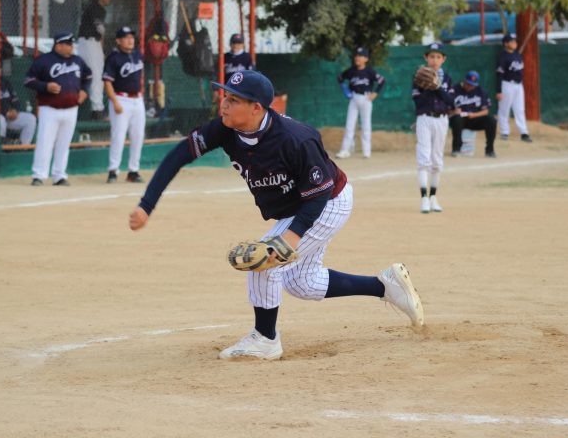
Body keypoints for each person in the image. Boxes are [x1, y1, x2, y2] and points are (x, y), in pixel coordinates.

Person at [127, 70, 424, 360]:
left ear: (256, 108)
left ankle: (265, 338)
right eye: (225, 97)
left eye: (233, 100)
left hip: (328, 201)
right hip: (300, 205)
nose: (224, 105)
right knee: (301, 283)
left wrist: (285, 243)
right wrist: (147, 204)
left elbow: (318, 195)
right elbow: (179, 155)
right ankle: (385, 285)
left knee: (265, 261)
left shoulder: (296, 139)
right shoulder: (224, 129)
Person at [25, 32, 92, 186]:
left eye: (71, 44)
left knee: (64, 143)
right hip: (50, 108)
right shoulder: (44, 60)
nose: (71, 46)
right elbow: (28, 80)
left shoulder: (77, 61)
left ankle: (59, 175)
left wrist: (84, 91)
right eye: (68, 44)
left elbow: (88, 76)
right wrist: (45, 86)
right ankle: (39, 175)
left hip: (71, 109)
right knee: (44, 142)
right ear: (58, 45)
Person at [412, 42, 454, 214]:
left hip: (442, 120)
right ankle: (423, 198)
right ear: (426, 58)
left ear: (443, 59)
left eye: (438, 57)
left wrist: (437, 86)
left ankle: (433, 197)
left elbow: (450, 101)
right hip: (424, 119)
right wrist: (428, 86)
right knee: (424, 158)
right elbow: (418, 102)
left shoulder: (447, 78)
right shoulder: (419, 77)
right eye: (431, 56)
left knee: (437, 159)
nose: (435, 60)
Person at [104, 26, 146, 184]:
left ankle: (133, 171)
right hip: (121, 99)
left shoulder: (137, 54)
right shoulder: (113, 58)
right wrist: (114, 101)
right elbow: (107, 82)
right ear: (118, 41)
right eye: (126, 37)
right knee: (118, 136)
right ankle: (113, 170)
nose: (130, 40)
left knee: (138, 136)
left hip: (137, 100)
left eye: (131, 37)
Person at [335, 47, 386, 159]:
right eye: (357, 55)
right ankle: (345, 150)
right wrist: (345, 89)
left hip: (366, 98)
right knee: (350, 125)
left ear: (366, 59)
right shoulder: (351, 71)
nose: (358, 58)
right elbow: (340, 78)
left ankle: (366, 152)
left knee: (366, 125)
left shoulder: (369, 71)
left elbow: (382, 81)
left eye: (361, 56)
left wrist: (375, 93)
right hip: (354, 98)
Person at [77, 0, 111, 120]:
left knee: (91, 75)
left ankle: (95, 108)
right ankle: (97, 110)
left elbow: (100, 33)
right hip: (89, 42)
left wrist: (101, 49)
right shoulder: (96, 8)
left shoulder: (93, 7)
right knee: (96, 75)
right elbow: (100, 29)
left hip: (89, 43)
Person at [449, 71, 497, 158]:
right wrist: (453, 111)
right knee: (457, 119)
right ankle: (456, 149)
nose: (470, 87)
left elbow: (486, 111)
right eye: (468, 84)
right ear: (464, 81)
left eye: (473, 85)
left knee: (491, 120)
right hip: (460, 118)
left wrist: (474, 115)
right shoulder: (454, 90)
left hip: (475, 118)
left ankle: (490, 150)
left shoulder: (481, 91)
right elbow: (446, 109)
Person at [496, 33, 532, 143]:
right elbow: (499, 74)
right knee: (504, 109)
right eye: (511, 41)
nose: (514, 43)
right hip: (507, 84)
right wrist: (499, 91)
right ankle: (505, 132)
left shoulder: (517, 55)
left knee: (520, 109)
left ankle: (524, 132)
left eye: (515, 41)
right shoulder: (503, 56)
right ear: (505, 43)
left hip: (518, 85)